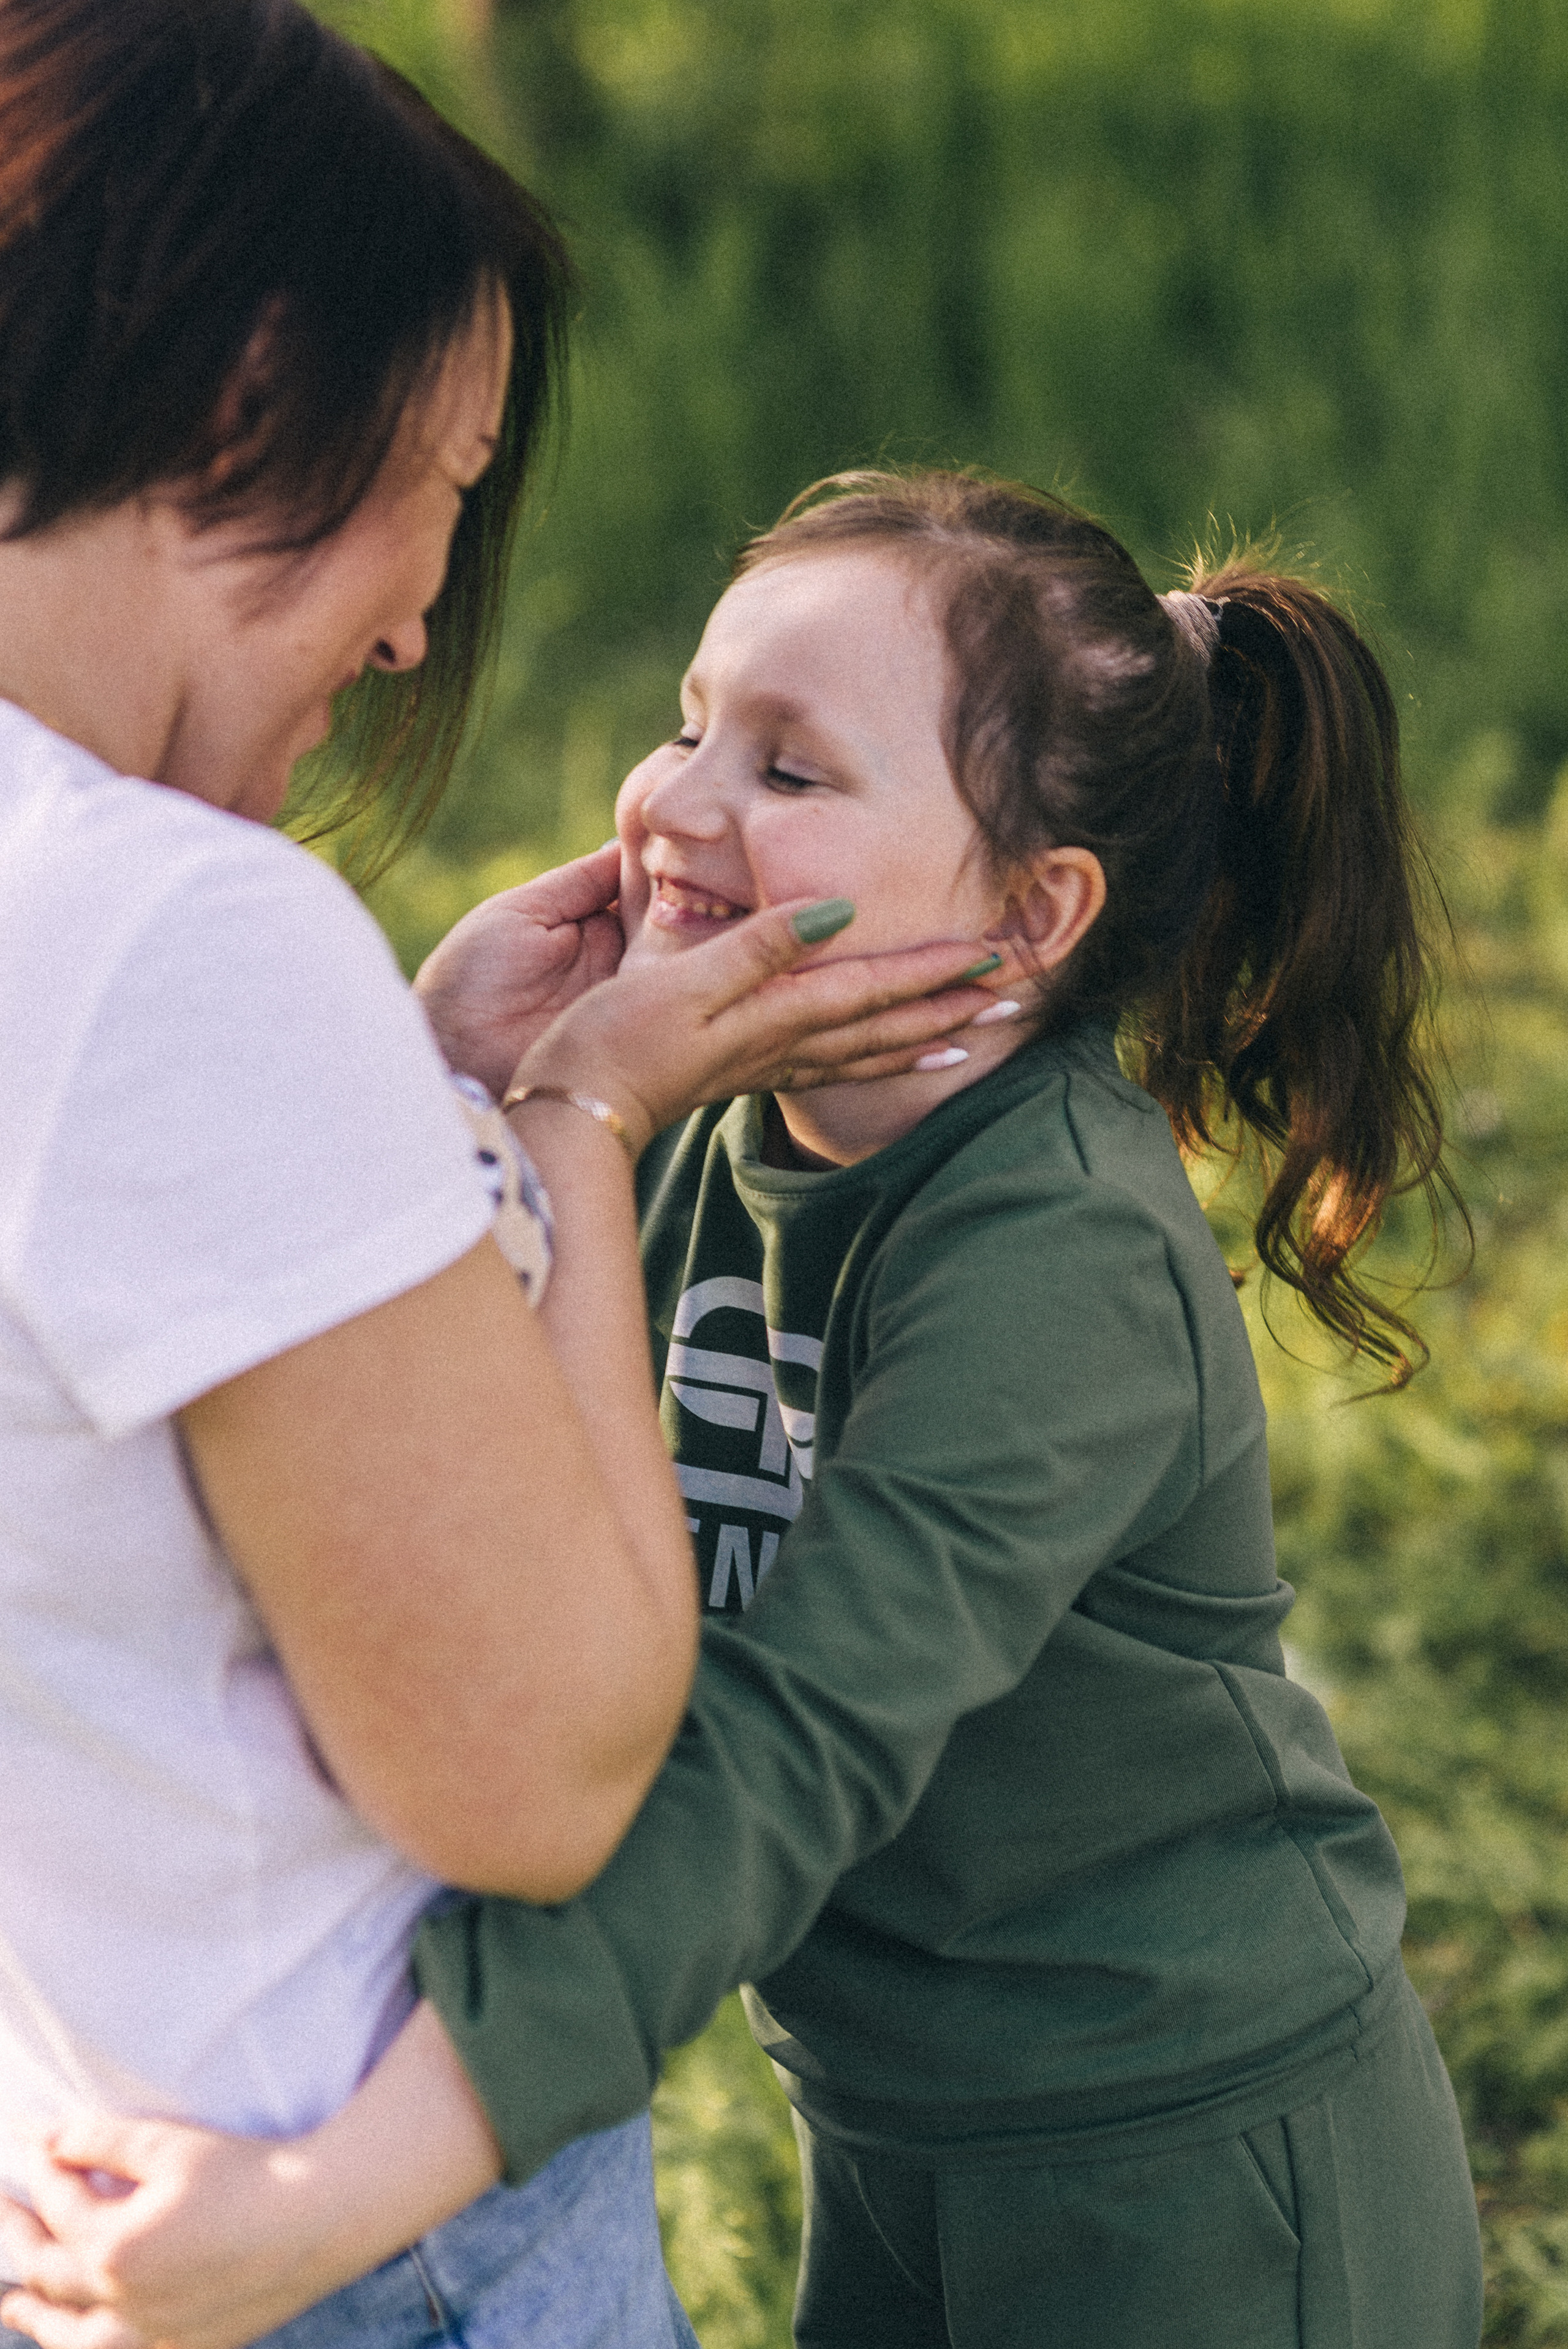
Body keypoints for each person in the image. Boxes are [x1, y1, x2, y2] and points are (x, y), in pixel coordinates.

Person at [0, 468, 1488, 2349]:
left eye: (791, 770)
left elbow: (781, 1753)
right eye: (693, 721)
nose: (678, 803)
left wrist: (342, 2193)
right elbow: (453, 1466)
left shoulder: (1064, 1257)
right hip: (888, 2112)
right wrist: (475, 1081)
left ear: (1034, 911)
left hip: (1182, 2165)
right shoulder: (699, 1134)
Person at [0, 6, 1006, 2340]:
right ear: (256, 400)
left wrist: (398, 1105)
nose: (425, 617)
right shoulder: (177, 932)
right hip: (346, 2229)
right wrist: (569, 1124)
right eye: (445, 479)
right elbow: (546, 1767)